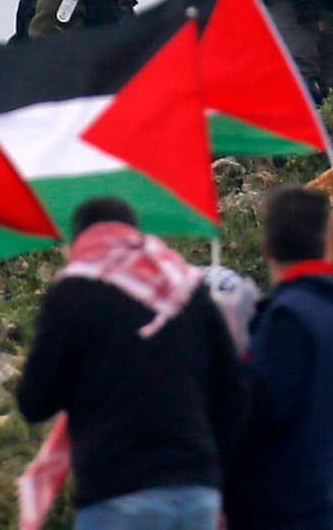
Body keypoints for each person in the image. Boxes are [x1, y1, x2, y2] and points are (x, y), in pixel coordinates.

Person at [16, 197, 244, 529]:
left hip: (117, 490)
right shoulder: (189, 289)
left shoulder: (72, 293)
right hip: (197, 492)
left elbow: (33, 403)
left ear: (80, 240)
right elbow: (234, 392)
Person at [223, 188, 333, 530]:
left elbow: (258, 414)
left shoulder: (286, 317)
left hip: (278, 509)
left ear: (266, 248)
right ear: (325, 238)